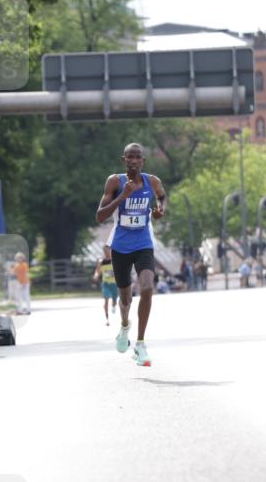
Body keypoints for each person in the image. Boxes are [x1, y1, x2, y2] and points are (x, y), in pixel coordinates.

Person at [96, 142, 166, 366]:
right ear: (123, 160)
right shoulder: (115, 182)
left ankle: (141, 344)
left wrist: (159, 210)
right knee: (124, 298)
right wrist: (122, 196)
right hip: (120, 246)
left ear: (143, 161)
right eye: (130, 157)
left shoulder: (152, 181)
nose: (134, 161)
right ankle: (125, 326)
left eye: (138, 157)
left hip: (144, 243)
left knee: (147, 288)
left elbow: (162, 196)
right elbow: (99, 216)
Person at [93, 245, 118, 326]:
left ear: (110, 250)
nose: (106, 252)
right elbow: (98, 271)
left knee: (114, 301)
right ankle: (107, 319)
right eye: (104, 251)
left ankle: (114, 305)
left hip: (115, 284)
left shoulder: (115, 260)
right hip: (106, 283)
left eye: (107, 251)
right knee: (106, 300)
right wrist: (96, 276)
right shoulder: (101, 261)